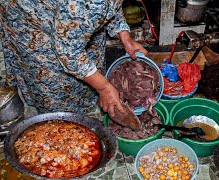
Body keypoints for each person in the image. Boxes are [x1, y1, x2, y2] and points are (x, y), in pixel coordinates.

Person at [0, 0, 148, 117]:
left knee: (91, 63)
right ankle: (60, 119)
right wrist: (104, 87)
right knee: (54, 80)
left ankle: (85, 106)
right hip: (32, 18)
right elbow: (69, 54)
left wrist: (125, 37)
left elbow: (110, 6)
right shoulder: (87, 3)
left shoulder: (93, 6)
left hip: (73, 12)